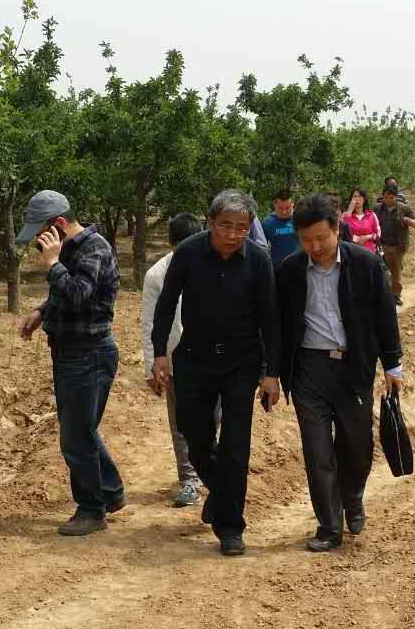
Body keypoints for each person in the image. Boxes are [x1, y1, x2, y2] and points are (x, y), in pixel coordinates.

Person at [151, 189, 283, 557]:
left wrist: (271, 372)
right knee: (194, 436)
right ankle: (222, 493)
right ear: (210, 222)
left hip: (241, 364)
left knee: (236, 446)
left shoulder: (259, 260)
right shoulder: (188, 253)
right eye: (226, 225)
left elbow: (271, 319)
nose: (233, 234)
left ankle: (231, 527)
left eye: (242, 228)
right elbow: (166, 304)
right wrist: (159, 354)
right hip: (194, 359)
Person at [276, 193, 405, 552]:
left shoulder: (365, 264)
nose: (315, 247)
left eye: (321, 238)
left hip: (353, 367)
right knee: (317, 451)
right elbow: (277, 325)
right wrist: (271, 371)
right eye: (306, 240)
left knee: (357, 447)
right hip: (308, 370)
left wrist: (392, 364)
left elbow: (384, 316)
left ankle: (353, 497)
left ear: (337, 229)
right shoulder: (288, 271)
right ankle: (329, 526)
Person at [17, 190, 124, 537]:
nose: (38, 242)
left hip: (88, 354)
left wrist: (52, 264)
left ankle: (92, 510)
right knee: (80, 428)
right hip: (69, 353)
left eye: (40, 234)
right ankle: (109, 491)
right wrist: (42, 311)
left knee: (75, 437)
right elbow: (63, 295)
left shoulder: (95, 249)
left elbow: (78, 294)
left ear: (60, 224)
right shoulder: (68, 249)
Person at [142, 212, 214, 508]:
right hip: (175, 359)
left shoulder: (215, 265)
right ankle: (189, 480)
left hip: (213, 358)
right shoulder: (157, 275)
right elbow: (150, 322)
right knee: (181, 422)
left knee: (213, 418)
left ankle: (212, 471)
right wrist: (152, 365)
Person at [374, 184, 415, 305]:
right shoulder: (377, 208)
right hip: (382, 245)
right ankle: (385, 295)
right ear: (383, 196)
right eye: (386, 197)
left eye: (391, 197)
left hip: (398, 246)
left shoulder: (404, 208)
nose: (388, 200)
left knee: (396, 271)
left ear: (396, 197)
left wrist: (409, 221)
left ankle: (395, 295)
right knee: (383, 271)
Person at [261, 189, 300, 266]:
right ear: (274, 204)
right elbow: (261, 248)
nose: (284, 212)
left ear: (293, 204)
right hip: (277, 267)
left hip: (300, 265)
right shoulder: (267, 223)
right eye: (280, 208)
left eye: (287, 208)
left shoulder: (300, 218)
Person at [341, 188, 381, 253]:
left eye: (359, 196)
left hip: (370, 252)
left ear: (364, 199)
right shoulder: (346, 215)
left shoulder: (371, 215)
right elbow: (343, 233)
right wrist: (349, 211)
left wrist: (368, 237)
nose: (357, 199)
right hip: (352, 252)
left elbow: (378, 234)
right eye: (354, 196)